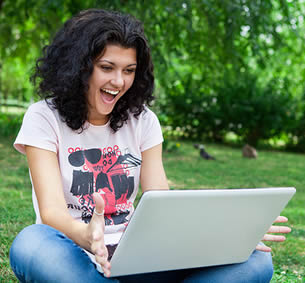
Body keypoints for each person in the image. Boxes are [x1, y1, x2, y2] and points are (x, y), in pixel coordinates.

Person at [9, 9, 291, 283]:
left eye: (129, 70)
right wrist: (88, 237)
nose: (118, 82)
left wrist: (232, 234)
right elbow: (52, 213)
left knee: (255, 261)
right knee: (31, 243)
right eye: (106, 67)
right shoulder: (44, 116)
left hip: (138, 259)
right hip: (74, 252)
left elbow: (161, 207)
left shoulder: (143, 120)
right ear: (78, 67)